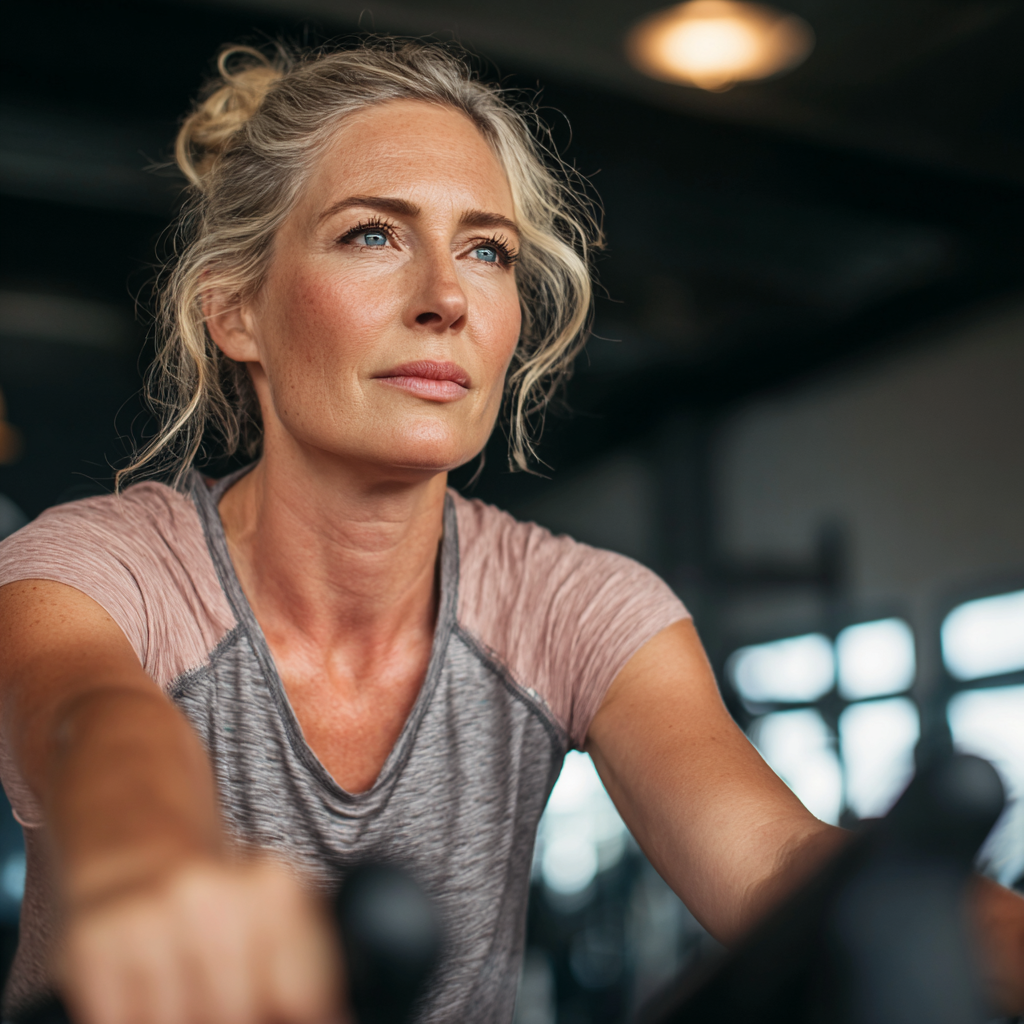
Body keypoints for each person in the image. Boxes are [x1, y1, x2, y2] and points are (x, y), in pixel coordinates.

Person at [0, 40, 1020, 1024]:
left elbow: (774, 863)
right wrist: (149, 855)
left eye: (485, 250)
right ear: (236, 312)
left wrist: (922, 909)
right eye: (372, 234)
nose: (445, 297)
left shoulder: (577, 606)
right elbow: (93, 726)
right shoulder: (92, 566)